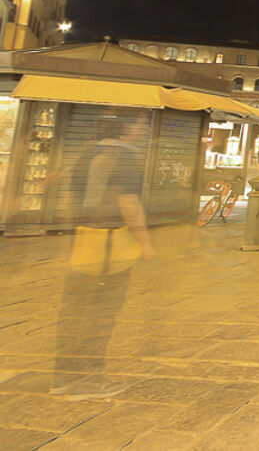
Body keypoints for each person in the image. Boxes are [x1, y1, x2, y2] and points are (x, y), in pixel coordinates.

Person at [52, 116, 154, 400]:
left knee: (73, 313)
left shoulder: (85, 155)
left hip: (83, 243)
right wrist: (146, 244)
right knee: (100, 315)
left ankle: (62, 376)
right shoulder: (125, 160)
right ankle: (87, 381)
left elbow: (71, 201)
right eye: (140, 123)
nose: (145, 128)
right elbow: (129, 205)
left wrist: (70, 242)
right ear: (125, 128)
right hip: (109, 247)